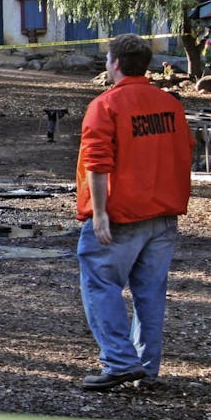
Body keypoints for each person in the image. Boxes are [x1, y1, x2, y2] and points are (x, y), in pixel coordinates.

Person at [75, 33, 194, 391]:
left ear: (114, 63)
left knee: (101, 283)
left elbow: (97, 164)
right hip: (162, 214)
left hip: (121, 214)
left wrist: (98, 213)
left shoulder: (106, 105)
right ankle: (145, 365)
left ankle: (119, 361)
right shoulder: (169, 104)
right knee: (150, 293)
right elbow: (184, 148)